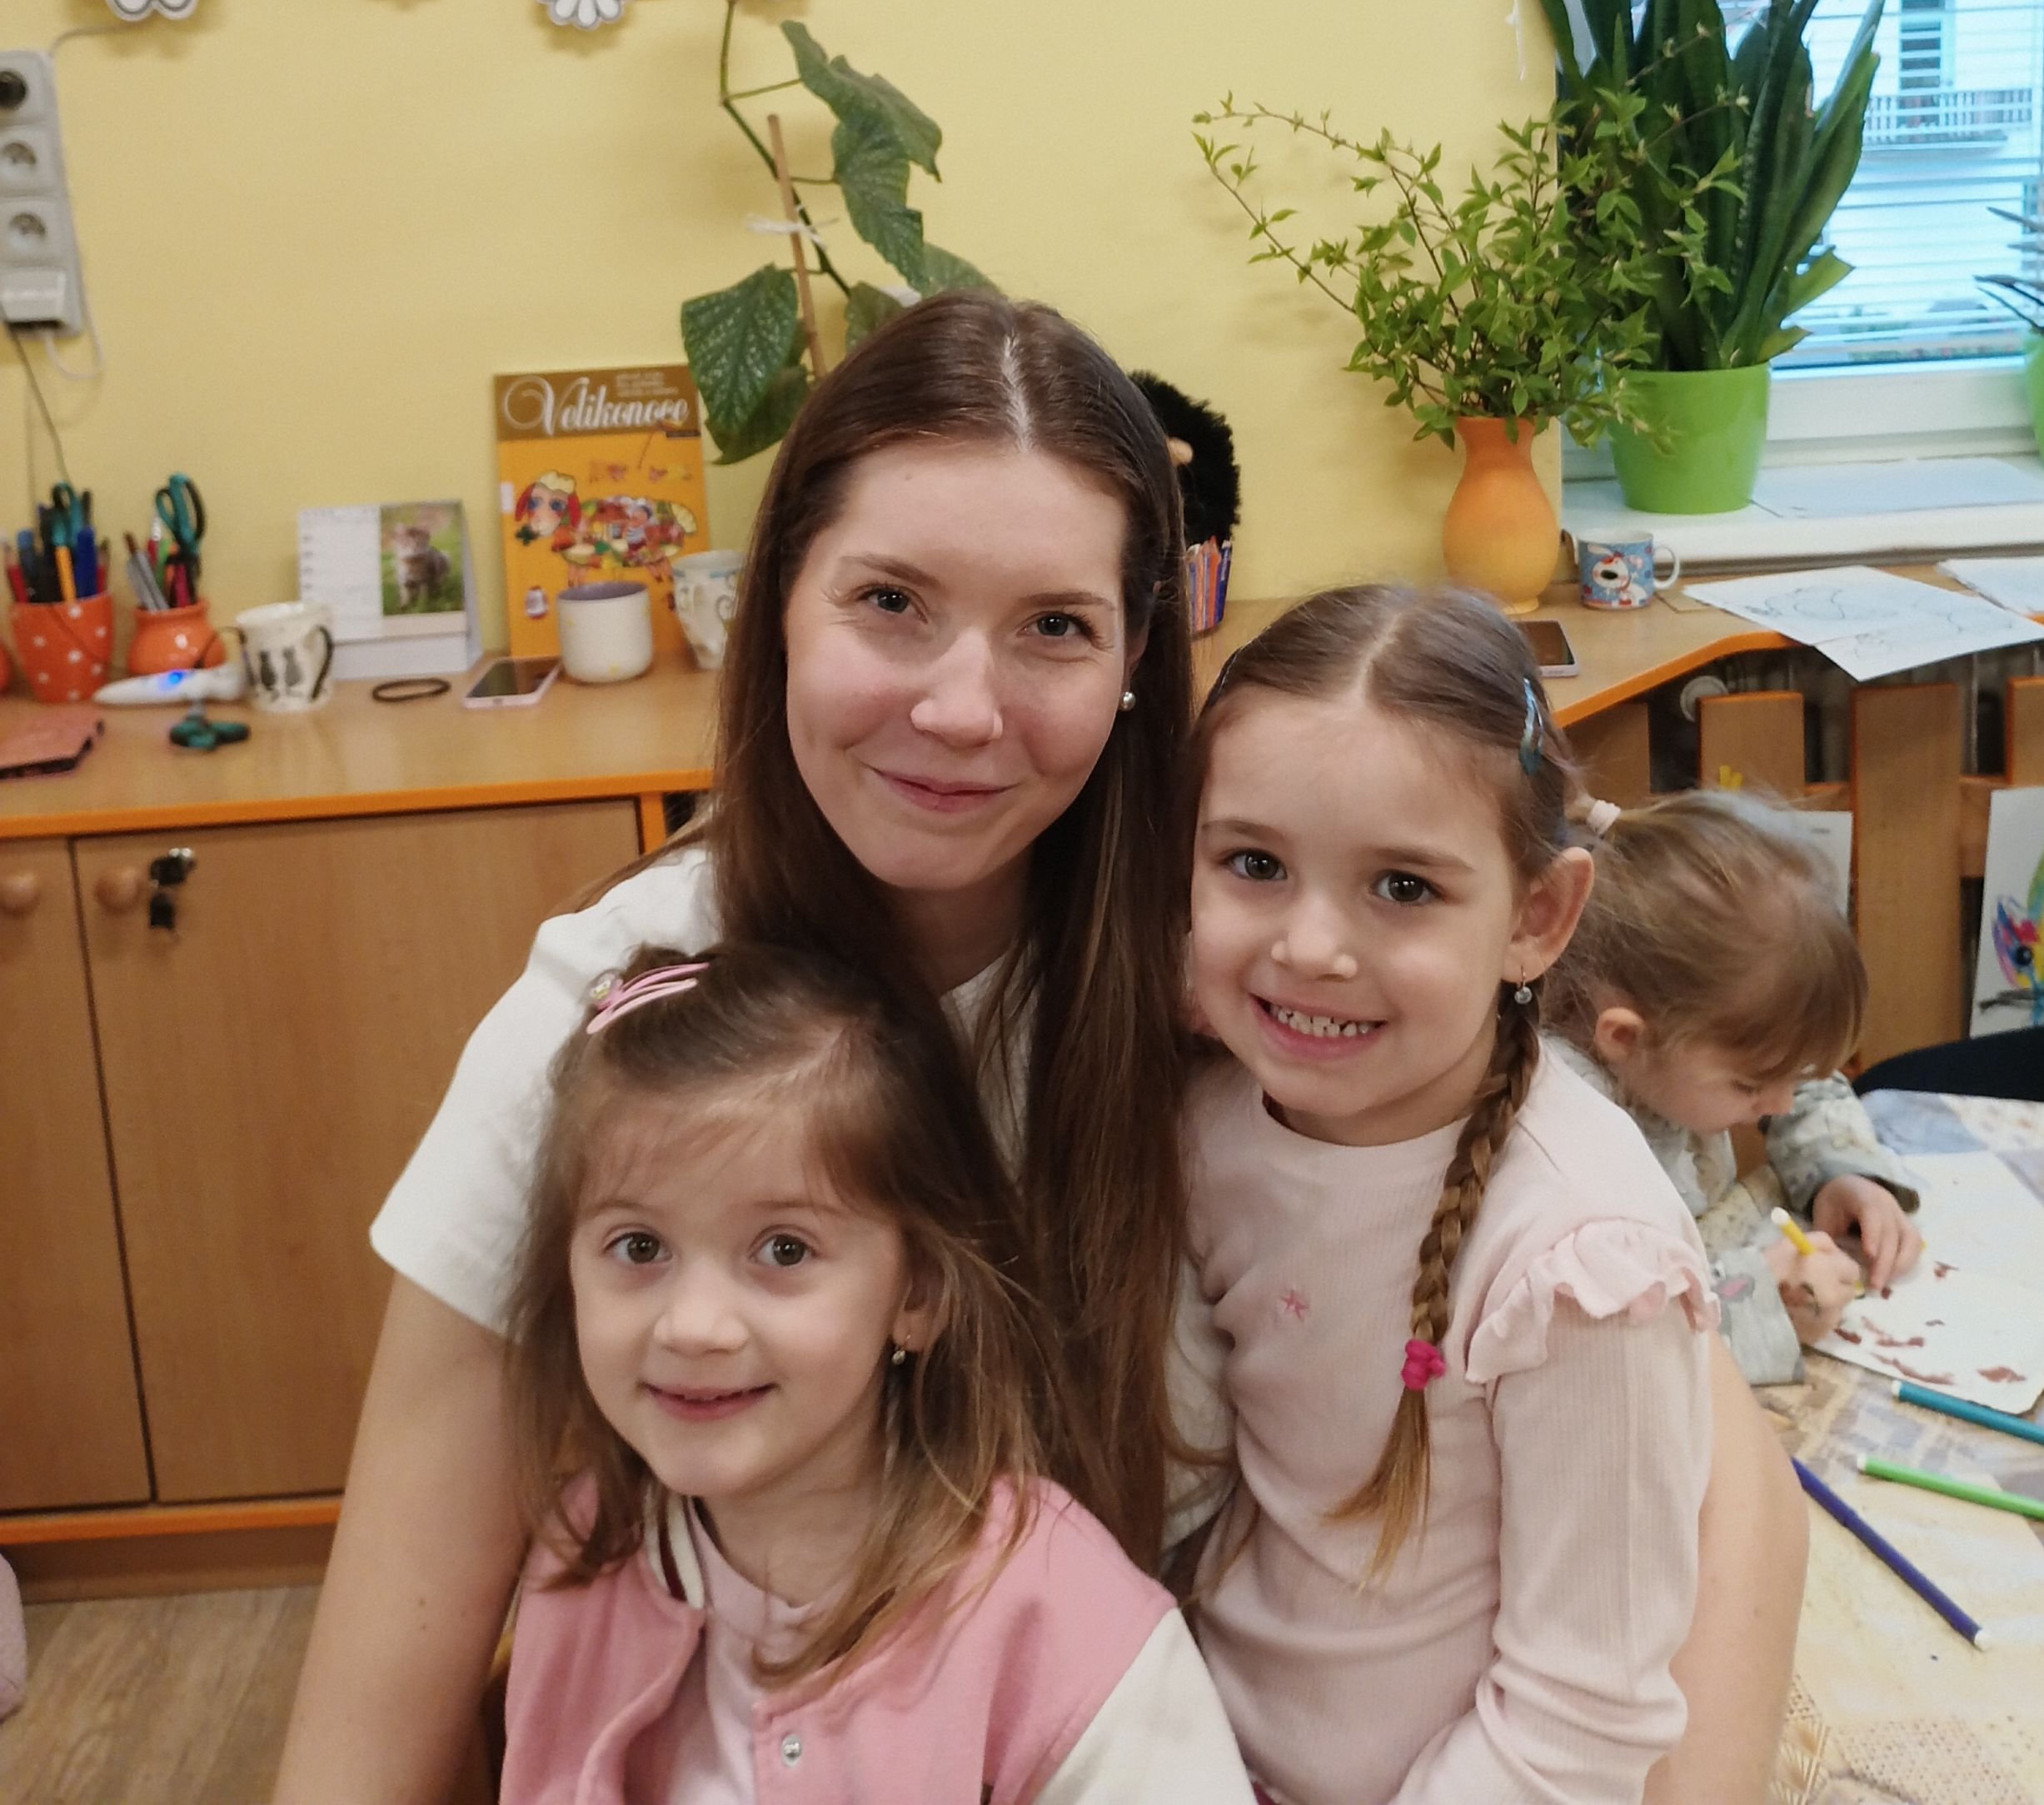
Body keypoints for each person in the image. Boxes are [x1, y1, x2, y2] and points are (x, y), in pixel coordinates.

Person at [272, 295, 1806, 1805]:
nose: (960, 708)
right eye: (890, 602)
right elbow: (379, 1698)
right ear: (775, 604)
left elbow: (1679, 1429)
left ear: (1137, 657)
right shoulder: (625, 1016)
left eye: (1054, 629)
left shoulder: (1241, 963)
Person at [498, 937, 1251, 1800]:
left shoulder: (1048, 1605)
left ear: (918, 1290)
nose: (694, 1326)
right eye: (639, 1247)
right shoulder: (584, 1558)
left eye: (784, 1249)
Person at [1184, 586, 1717, 1803]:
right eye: (1255, 864)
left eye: (1403, 887)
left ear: (1539, 916)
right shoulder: (1208, 1120)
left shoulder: (1584, 1265)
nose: (1310, 948)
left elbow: (1580, 1721)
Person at [1542, 789, 1923, 1385]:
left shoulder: (1681, 1047)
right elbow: (1609, 1355)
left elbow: (1796, 1085)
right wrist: (1763, 1307)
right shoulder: (1560, 1143)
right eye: (1751, 1085)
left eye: (1794, 1074)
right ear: (1625, 1038)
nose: (1782, 1103)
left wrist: (1843, 1173)